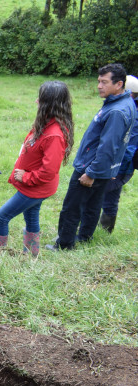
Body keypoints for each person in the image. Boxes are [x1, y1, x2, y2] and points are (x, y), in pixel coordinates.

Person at [47, 63, 136, 251]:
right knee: (93, 205)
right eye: (99, 81)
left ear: (119, 84)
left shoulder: (117, 111)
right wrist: (109, 168)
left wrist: (92, 172)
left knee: (72, 207)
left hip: (90, 167)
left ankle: (64, 244)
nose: (99, 86)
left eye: (104, 82)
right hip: (104, 168)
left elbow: (108, 146)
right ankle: (85, 237)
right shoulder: (124, 103)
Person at [0, 81, 74, 256]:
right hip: (35, 187)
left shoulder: (54, 134)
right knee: (31, 216)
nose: (37, 101)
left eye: (41, 99)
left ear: (49, 104)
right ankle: (31, 254)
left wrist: (26, 177)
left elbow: (49, 171)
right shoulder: (46, 124)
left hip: (35, 188)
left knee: (1, 217)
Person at [99, 74, 138, 233]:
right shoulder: (130, 108)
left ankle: (84, 231)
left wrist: (116, 167)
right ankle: (105, 231)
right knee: (111, 197)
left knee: (92, 195)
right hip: (123, 167)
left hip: (120, 166)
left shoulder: (131, 113)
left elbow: (130, 145)